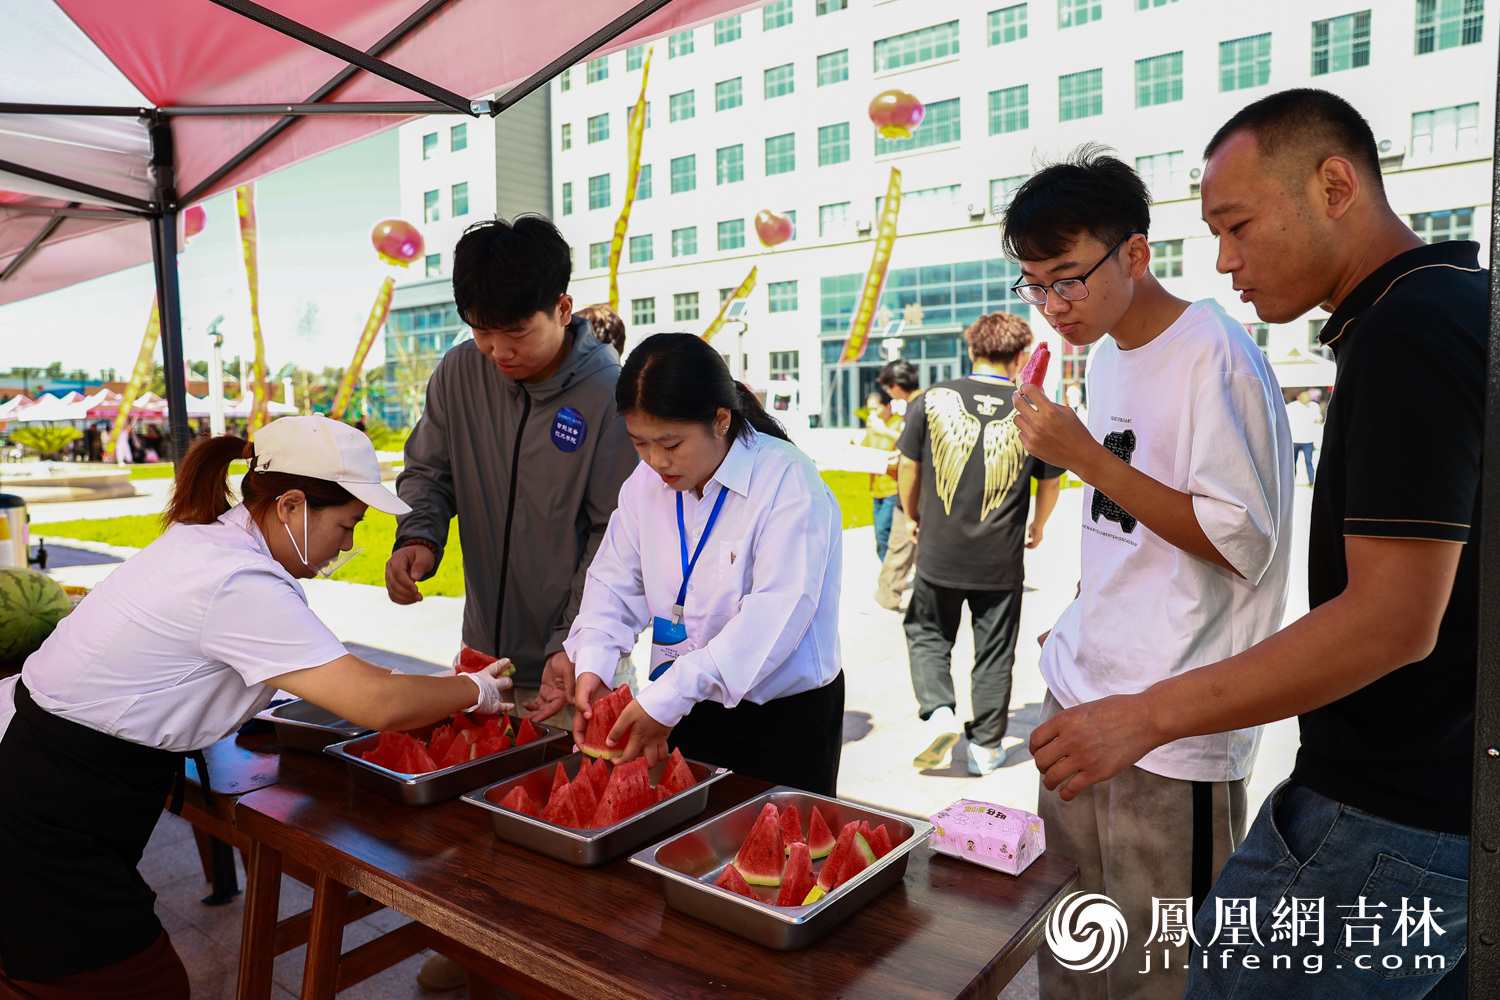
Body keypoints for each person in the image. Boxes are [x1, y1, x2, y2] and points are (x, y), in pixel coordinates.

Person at [1028, 89, 1482, 999]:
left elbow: (1388, 617)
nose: (1227, 260)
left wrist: (1150, 711)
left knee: (1175, 975)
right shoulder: (1422, 314)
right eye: (1035, 286)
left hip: (1383, 805)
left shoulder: (1404, 331)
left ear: (1334, 184)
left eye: (1237, 225)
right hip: (1374, 782)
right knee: (1083, 957)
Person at [0, 417, 512, 999]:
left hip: (55, 774)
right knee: (135, 985)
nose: (347, 545)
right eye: (347, 525)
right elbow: (376, 701)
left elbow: (335, 672)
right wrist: (476, 690)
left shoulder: (213, 544)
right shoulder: (236, 579)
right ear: (292, 506)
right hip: (49, 804)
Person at [1003, 146, 1293, 1000]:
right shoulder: (1106, 351)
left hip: (1172, 724)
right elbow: (1129, 525)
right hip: (1084, 687)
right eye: (1036, 285)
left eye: (1068, 278)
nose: (1054, 306)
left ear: (1135, 253)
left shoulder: (1217, 354)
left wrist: (1083, 457)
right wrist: (1087, 609)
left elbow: (1239, 539)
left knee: (1159, 974)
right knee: (1072, 940)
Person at [537, 333, 845, 795]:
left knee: (787, 851)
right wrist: (594, 662)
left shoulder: (787, 479)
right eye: (639, 442)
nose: (656, 460)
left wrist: (676, 691)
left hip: (781, 720)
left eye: (671, 443)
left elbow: (777, 613)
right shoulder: (645, 483)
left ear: (721, 420)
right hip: (677, 705)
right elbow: (614, 582)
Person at [387, 216, 637, 727]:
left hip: (573, 668)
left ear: (562, 309)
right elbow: (429, 472)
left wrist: (575, 642)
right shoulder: (458, 374)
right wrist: (418, 535)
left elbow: (614, 538)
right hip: (483, 665)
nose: (498, 350)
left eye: (516, 332)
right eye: (482, 331)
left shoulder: (610, 395)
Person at [898, 312, 1061, 776]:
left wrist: (913, 515)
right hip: (1000, 558)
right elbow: (1049, 483)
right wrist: (1038, 525)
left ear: (972, 350)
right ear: (1019, 357)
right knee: (995, 650)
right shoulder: (1031, 408)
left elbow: (908, 467)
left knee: (927, 632)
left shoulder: (932, 399)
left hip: (938, 552)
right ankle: (987, 747)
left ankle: (940, 712)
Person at [873, 359, 922, 610]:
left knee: (899, 544)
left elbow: (911, 457)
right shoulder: (928, 402)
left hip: (913, 488)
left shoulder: (917, 407)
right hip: (932, 488)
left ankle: (886, 598)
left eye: (888, 388)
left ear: (895, 385)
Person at [860, 385, 900, 561]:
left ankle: (890, 572)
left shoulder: (898, 424)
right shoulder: (872, 427)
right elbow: (864, 450)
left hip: (894, 488)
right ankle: (888, 570)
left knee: (884, 531)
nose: (872, 413)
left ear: (888, 406)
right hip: (876, 488)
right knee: (879, 533)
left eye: (876, 409)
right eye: (870, 410)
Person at [1284, 389, 1320, 485]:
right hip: (1295, 439)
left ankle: (1312, 481)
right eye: (1305, 397)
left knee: (1309, 461)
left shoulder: (1314, 406)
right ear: (1299, 397)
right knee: (1292, 463)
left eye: (1308, 397)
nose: (1307, 399)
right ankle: (1291, 482)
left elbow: (1317, 419)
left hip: (1308, 439)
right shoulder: (1291, 407)